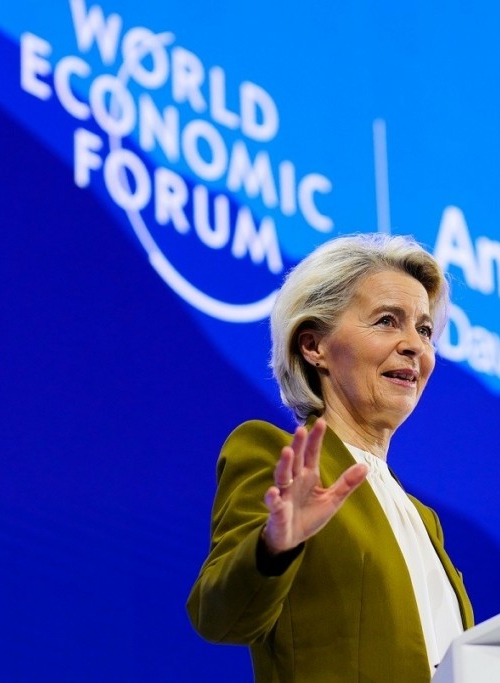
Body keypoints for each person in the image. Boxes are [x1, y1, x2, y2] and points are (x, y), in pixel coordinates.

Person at [187, 234, 474, 682]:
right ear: (313, 346)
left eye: (423, 330)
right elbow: (220, 616)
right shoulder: (277, 456)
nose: (416, 346)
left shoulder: (423, 519)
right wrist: (273, 546)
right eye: (386, 321)